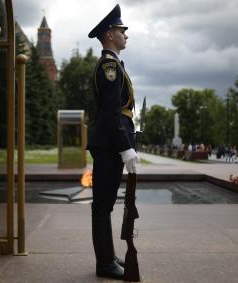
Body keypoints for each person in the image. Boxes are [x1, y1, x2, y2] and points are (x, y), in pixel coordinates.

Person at [87, 4, 139, 280]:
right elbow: (110, 113)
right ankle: (105, 263)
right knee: (102, 206)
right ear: (110, 35)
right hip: (109, 145)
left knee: (104, 205)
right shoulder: (109, 66)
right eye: (121, 30)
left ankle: (107, 256)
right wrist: (125, 147)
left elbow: (120, 109)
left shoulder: (115, 64)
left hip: (110, 144)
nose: (125, 35)